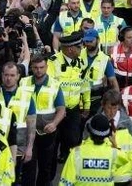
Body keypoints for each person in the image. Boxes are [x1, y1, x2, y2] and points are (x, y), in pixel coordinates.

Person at [18, 53, 66, 186]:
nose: (39, 70)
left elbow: (61, 109)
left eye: (41, 67)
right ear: (31, 68)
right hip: (28, 132)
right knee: (28, 166)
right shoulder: (23, 82)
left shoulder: (55, 85)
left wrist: (54, 123)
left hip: (47, 132)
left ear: (46, 66)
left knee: (45, 167)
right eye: (35, 67)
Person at [48, 32, 91, 166]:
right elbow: (50, 88)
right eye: (80, 47)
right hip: (56, 110)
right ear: (71, 49)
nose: (82, 49)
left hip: (73, 110)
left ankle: (68, 163)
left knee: (73, 139)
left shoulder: (81, 63)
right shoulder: (53, 62)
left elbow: (85, 84)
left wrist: (87, 104)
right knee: (54, 142)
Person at [58, 113, 131, 186]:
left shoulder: (76, 153)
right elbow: (125, 162)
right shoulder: (114, 154)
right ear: (108, 135)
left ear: (89, 132)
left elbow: (65, 182)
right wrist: (115, 144)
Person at [99, 89, 132, 186]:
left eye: (115, 108)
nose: (112, 112)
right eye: (109, 108)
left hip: (123, 177)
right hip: (102, 175)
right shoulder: (93, 123)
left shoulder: (127, 123)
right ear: (103, 105)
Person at [80, 29, 118, 115]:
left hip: (96, 98)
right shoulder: (78, 55)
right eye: (86, 41)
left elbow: (113, 81)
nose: (88, 43)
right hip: (79, 97)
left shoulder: (104, 59)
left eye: (91, 41)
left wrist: (116, 100)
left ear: (98, 40)